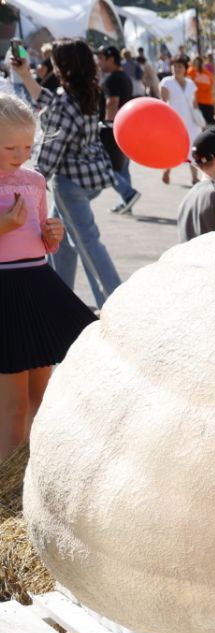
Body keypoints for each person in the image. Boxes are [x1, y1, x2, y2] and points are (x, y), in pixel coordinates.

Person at [0, 93, 96, 460]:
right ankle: (8, 483)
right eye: (10, 146)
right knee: (12, 407)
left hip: (38, 285)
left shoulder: (35, 180)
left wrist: (52, 236)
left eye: (28, 145)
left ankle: (40, 468)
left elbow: (42, 238)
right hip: (5, 292)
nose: (21, 154)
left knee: (44, 395)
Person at [11, 40, 121, 309]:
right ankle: (56, 298)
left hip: (69, 182)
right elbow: (49, 100)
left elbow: (50, 150)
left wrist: (26, 183)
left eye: (57, 62)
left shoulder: (64, 102)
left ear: (65, 68)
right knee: (59, 240)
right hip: (91, 176)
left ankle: (116, 299)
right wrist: (25, 74)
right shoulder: (88, 94)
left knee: (87, 241)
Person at [97, 45, 141, 215]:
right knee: (122, 167)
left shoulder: (112, 79)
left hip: (112, 129)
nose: (99, 62)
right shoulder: (124, 77)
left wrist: (106, 126)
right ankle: (126, 202)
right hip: (124, 127)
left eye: (101, 58)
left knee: (106, 167)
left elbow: (112, 103)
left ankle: (128, 194)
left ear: (111, 59)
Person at [158, 56, 202, 186]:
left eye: (180, 66)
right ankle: (167, 170)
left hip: (191, 122)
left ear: (185, 69)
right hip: (175, 121)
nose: (177, 69)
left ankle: (194, 177)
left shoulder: (190, 83)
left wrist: (199, 118)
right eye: (175, 66)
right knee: (173, 148)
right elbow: (164, 102)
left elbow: (194, 104)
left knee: (193, 149)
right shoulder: (167, 82)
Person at [191, 56, 215, 126]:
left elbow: (212, 85)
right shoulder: (191, 72)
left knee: (210, 121)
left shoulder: (207, 73)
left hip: (207, 100)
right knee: (200, 121)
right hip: (197, 101)